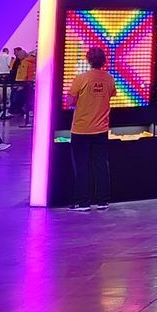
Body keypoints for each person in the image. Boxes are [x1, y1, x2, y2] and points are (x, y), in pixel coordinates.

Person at [67, 45, 115, 209]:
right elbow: (111, 94)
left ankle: (83, 202)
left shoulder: (80, 78)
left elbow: (70, 101)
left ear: (88, 60)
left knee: (81, 165)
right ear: (104, 61)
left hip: (81, 129)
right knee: (101, 164)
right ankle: (103, 201)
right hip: (101, 129)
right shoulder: (109, 78)